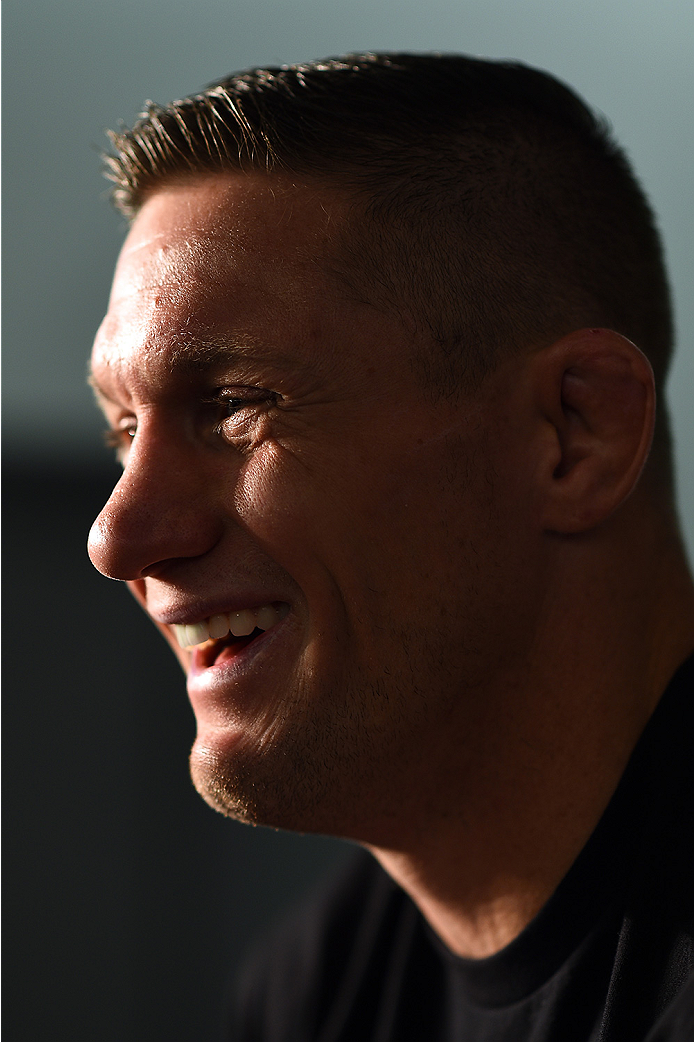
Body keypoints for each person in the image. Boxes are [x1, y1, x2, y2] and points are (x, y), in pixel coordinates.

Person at [87, 54, 694, 1040]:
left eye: (235, 405)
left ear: (572, 435)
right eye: (123, 428)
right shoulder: (310, 989)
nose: (116, 536)